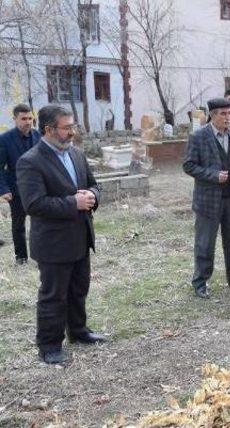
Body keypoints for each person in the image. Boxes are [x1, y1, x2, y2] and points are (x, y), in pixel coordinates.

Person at [16, 105, 104, 364]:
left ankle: (78, 331)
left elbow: (93, 184)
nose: (72, 132)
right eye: (67, 128)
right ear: (49, 130)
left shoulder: (76, 154)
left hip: (80, 236)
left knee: (79, 288)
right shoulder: (30, 161)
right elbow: (33, 204)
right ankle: (49, 345)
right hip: (53, 243)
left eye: (73, 126)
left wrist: (93, 196)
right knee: (54, 296)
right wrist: (72, 203)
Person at [183, 97, 230, 299]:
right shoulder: (199, 136)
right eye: (223, 114)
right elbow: (188, 165)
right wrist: (213, 175)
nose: (227, 117)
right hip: (209, 200)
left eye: (229, 113)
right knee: (205, 243)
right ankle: (200, 281)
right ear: (212, 115)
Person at [0, 103, 41, 264]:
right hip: (16, 190)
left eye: (30, 118)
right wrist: (3, 189)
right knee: (18, 225)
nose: (28, 121)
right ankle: (21, 258)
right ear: (15, 119)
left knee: (40, 223)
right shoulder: (4, 139)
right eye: (23, 118)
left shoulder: (38, 136)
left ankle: (40, 254)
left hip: (38, 188)